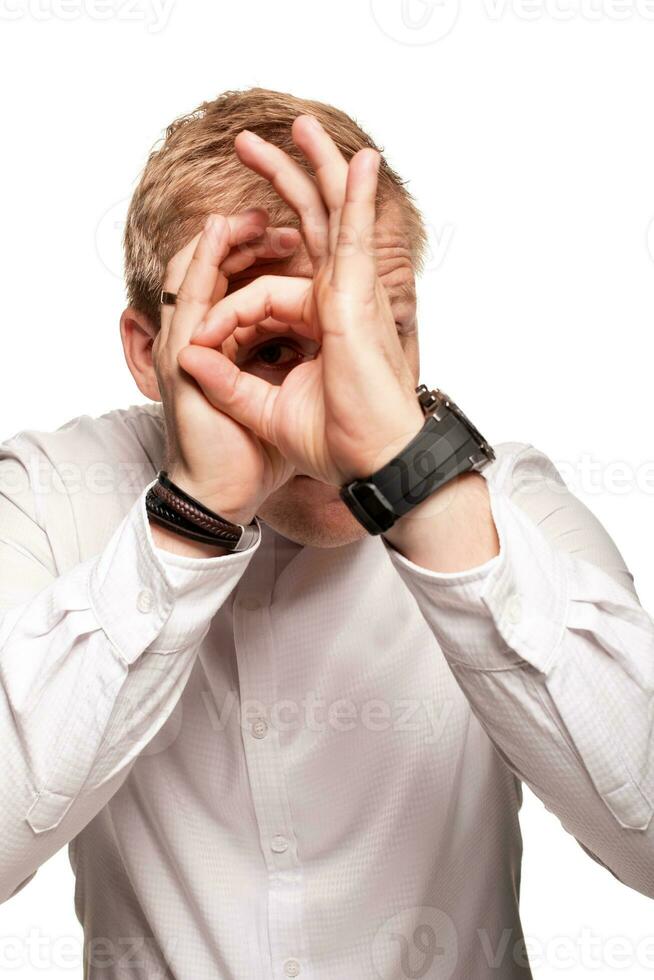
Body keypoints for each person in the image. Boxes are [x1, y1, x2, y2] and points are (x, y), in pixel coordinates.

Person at [1, 86, 652, 980]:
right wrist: (192, 515)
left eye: (377, 336)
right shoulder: (49, 494)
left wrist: (413, 479)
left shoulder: (510, 503)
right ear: (148, 349)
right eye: (271, 345)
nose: (331, 400)